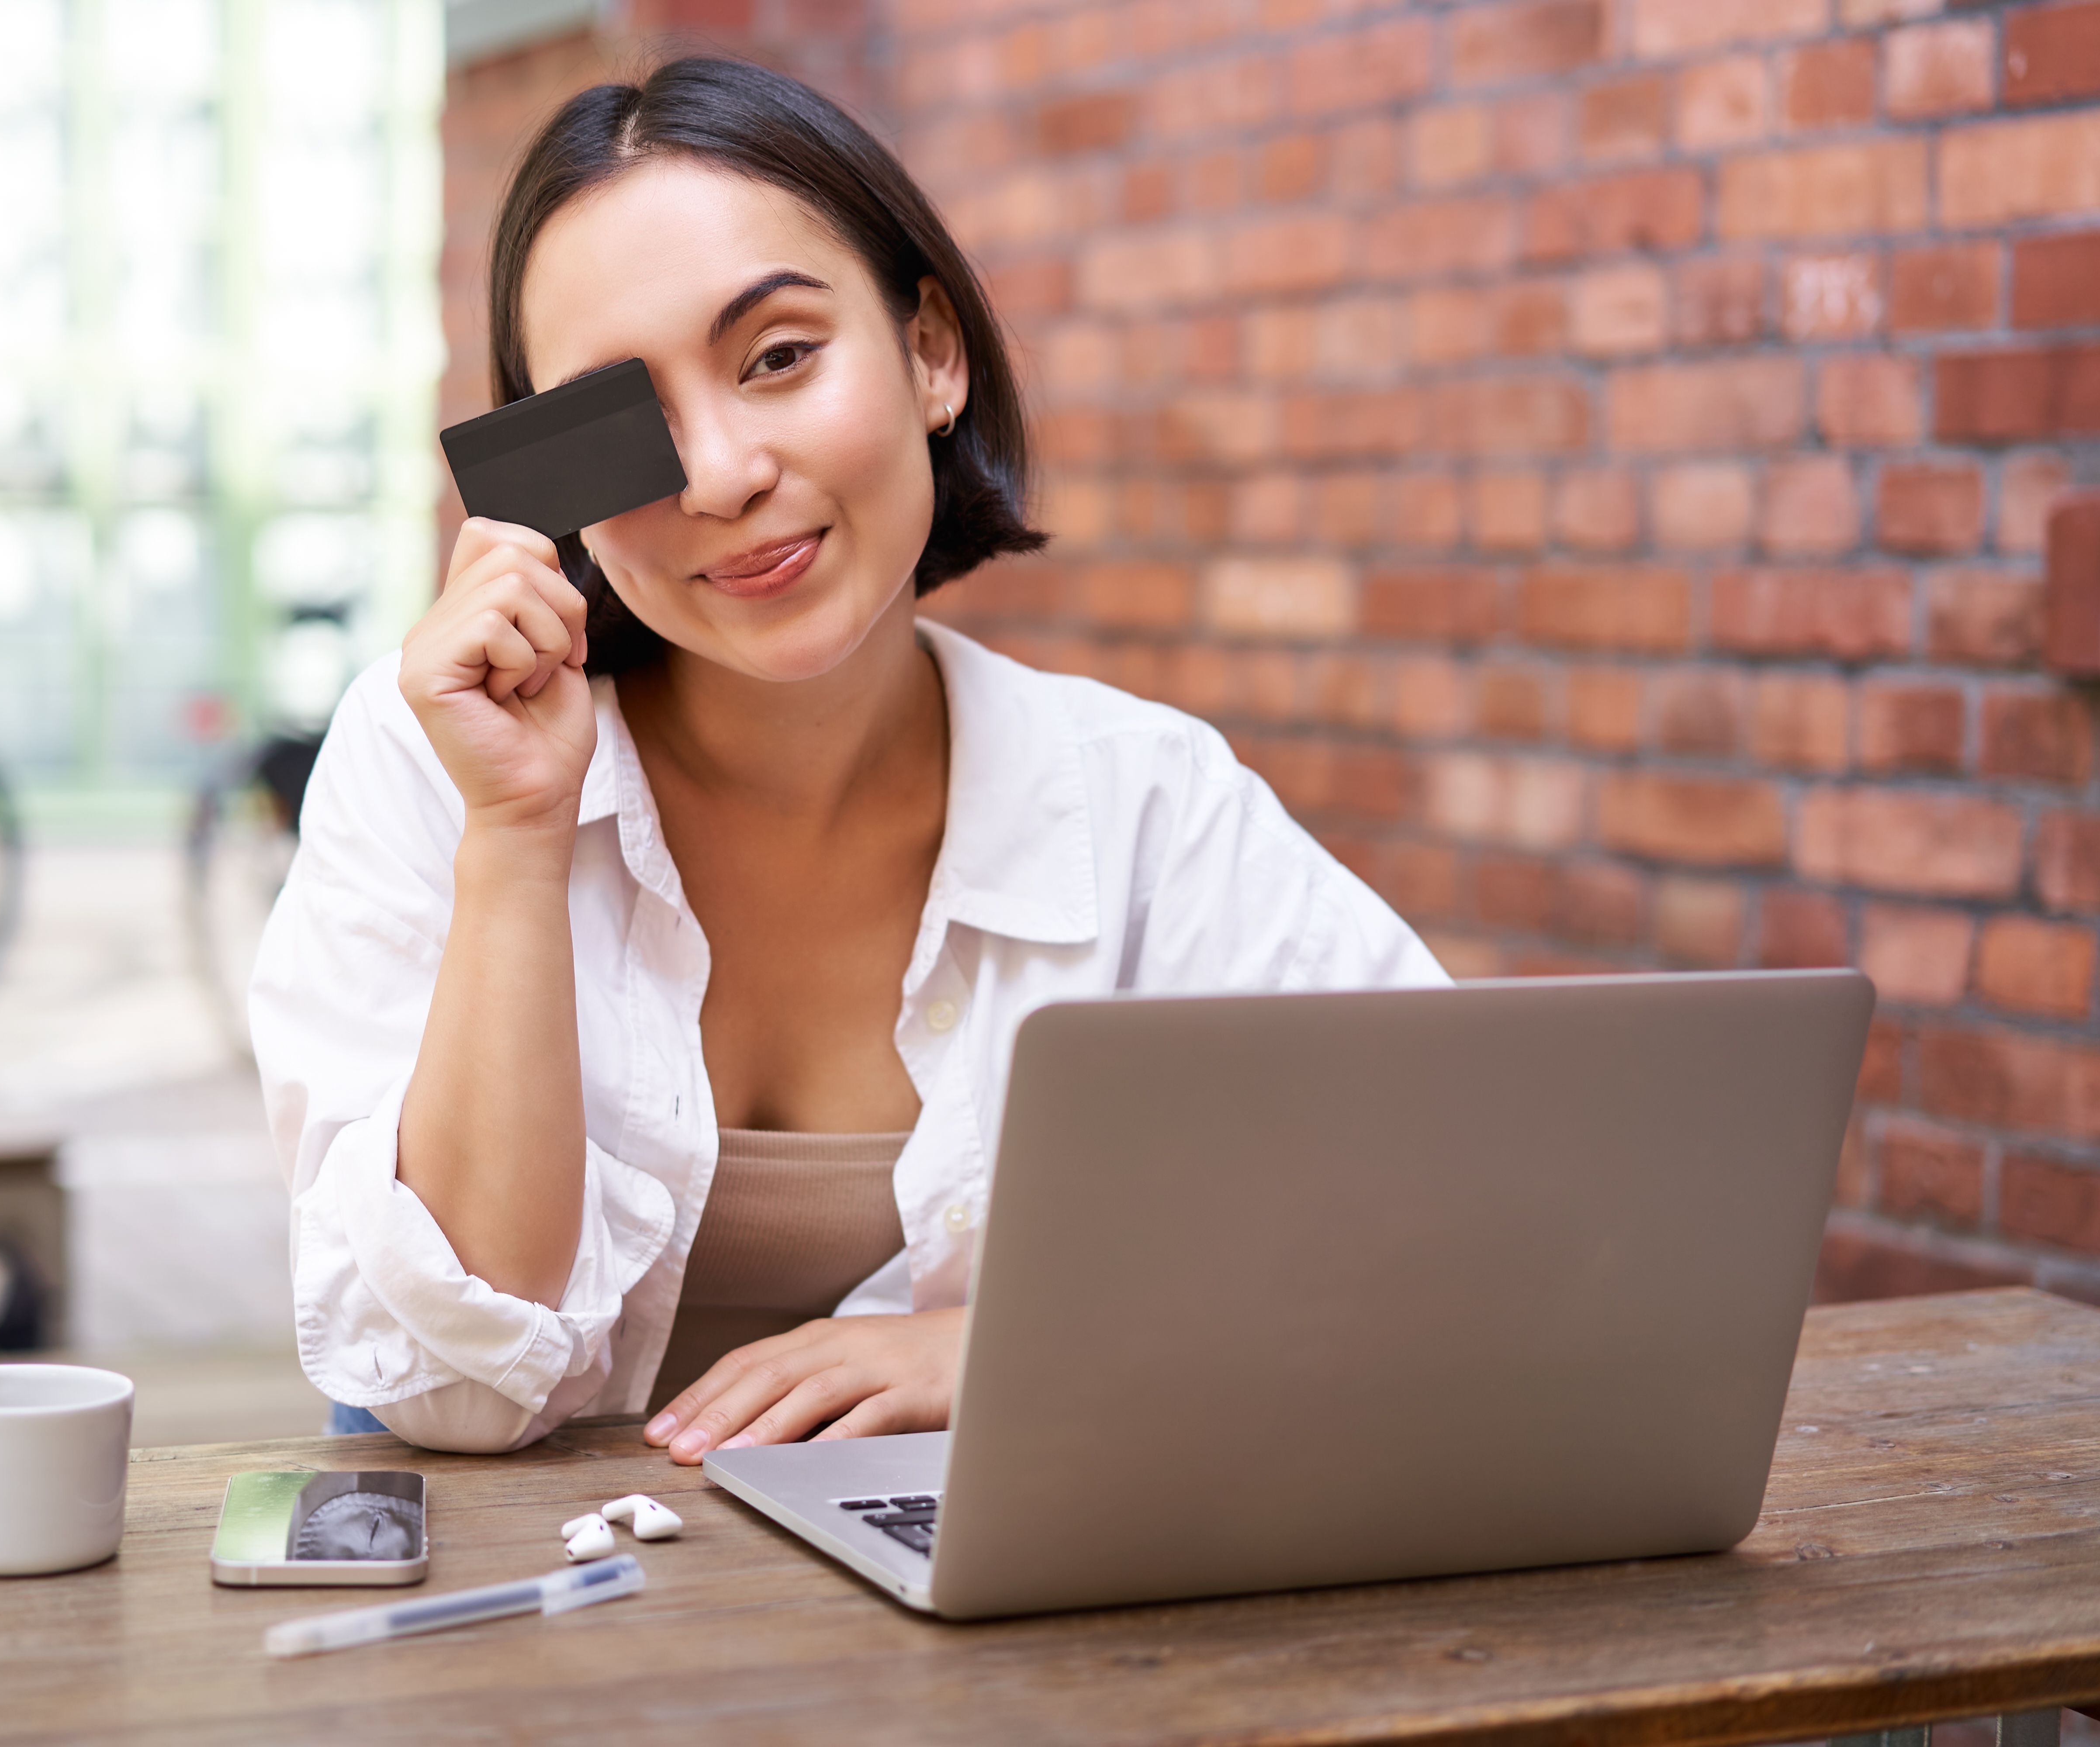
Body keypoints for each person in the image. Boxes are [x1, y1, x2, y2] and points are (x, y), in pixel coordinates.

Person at [250, 56, 1448, 1460]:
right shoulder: (432, 761)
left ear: (932, 353)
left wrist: (1014, 1346)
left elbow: (1442, 1209)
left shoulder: (1142, 801)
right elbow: (450, 1390)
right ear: (551, 484)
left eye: (777, 358)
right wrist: (516, 835)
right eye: (622, 421)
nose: (717, 477)